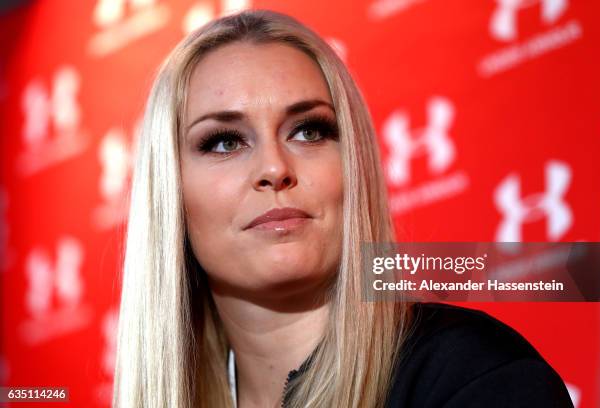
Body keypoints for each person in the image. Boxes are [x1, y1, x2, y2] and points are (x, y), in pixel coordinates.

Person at [113, 9, 574, 408]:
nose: (275, 167)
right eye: (224, 141)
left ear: (354, 163)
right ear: (169, 192)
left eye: (309, 131)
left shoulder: (472, 377)